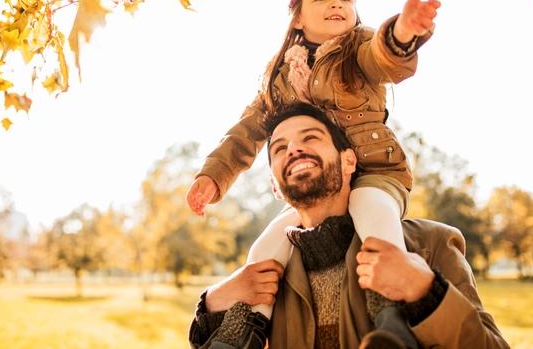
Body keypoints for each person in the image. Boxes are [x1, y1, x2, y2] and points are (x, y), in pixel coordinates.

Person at [186, 0, 440, 335]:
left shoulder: (357, 49)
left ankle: (389, 313)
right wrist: (214, 175)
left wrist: (402, 33)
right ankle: (246, 330)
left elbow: (382, 60)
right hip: (318, 192)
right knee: (267, 245)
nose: (336, 4)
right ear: (298, 18)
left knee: (370, 210)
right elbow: (247, 130)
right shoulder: (280, 77)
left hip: (374, 173)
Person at [188, 102, 510, 349]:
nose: (293, 149)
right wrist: (214, 302)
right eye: (279, 148)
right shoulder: (264, 277)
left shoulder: (430, 245)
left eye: (310, 137)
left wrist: (427, 292)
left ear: (348, 161)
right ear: (275, 185)